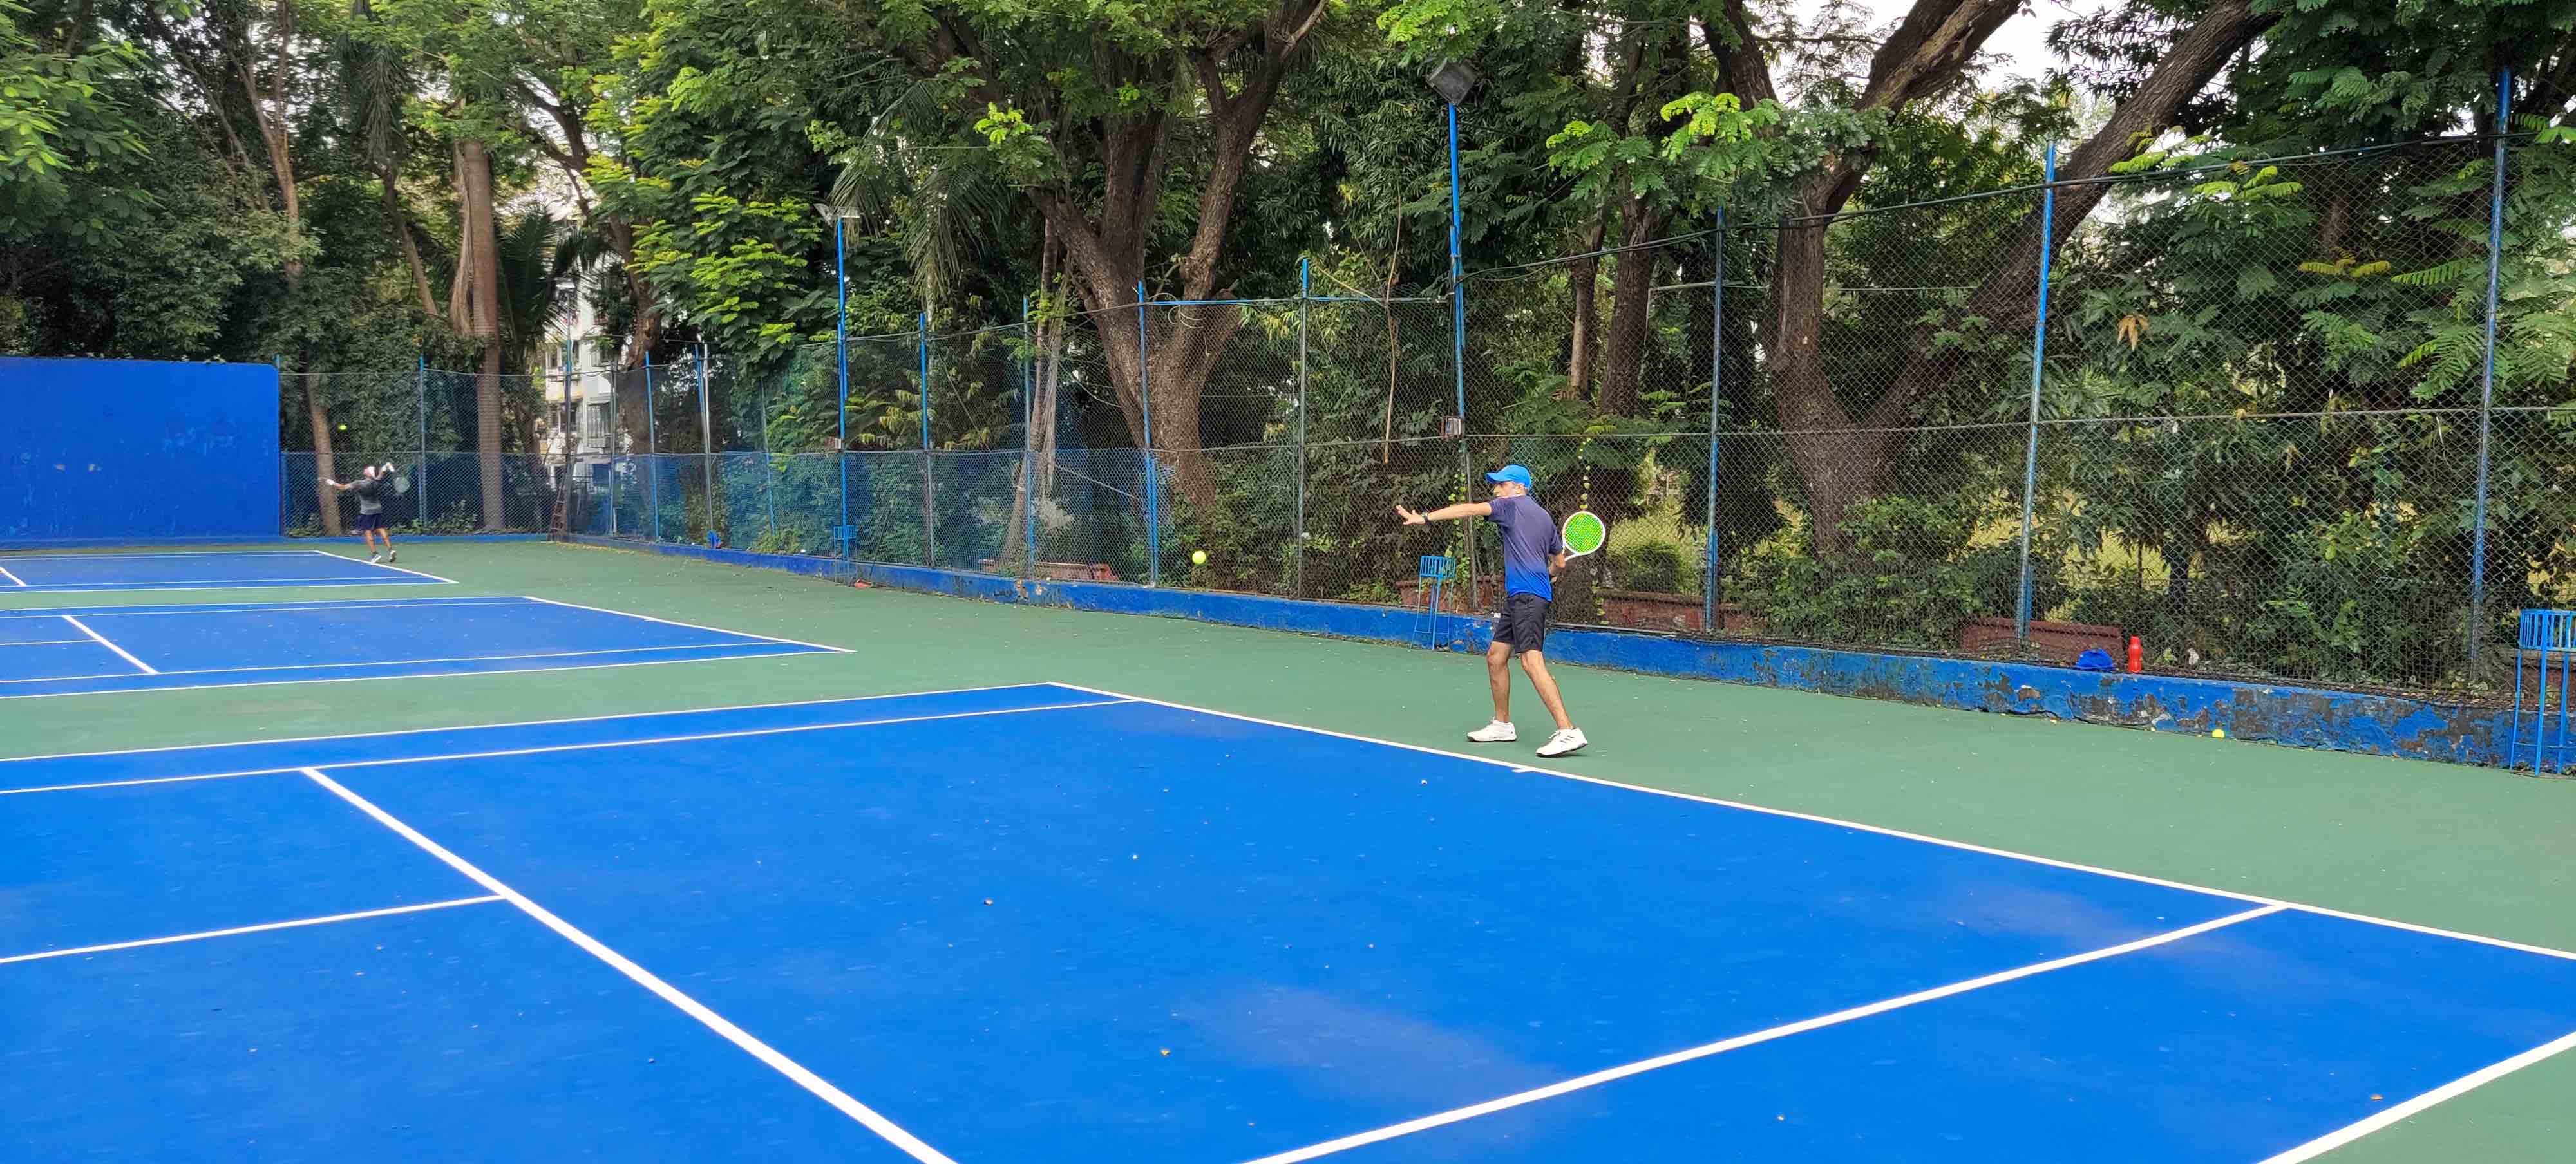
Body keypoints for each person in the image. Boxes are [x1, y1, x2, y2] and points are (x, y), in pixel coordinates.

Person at [1396, 464, 1587, 758]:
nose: (1496, 490)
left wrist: (1425, 517)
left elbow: (1469, 509)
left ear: (1519, 488)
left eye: (1502, 484)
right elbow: (1559, 563)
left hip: (1528, 598)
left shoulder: (1510, 507)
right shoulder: (1544, 517)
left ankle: (1568, 730)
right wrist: (1547, 574)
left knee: (1531, 663)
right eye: (1496, 485)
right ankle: (1502, 725)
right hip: (1522, 595)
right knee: (1496, 657)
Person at [324, 462, 399, 563]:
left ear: (369, 474)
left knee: (368, 532)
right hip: (378, 509)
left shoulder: (359, 484)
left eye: (368, 469)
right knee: (381, 529)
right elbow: (382, 472)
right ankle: (391, 550)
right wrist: (386, 466)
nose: (366, 469)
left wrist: (331, 483)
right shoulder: (377, 481)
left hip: (367, 512)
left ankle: (375, 555)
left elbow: (342, 487)